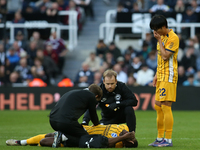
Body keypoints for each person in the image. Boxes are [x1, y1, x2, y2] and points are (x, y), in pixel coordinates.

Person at [149, 14, 179, 147]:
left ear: (163, 27)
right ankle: (159, 137)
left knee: (166, 106)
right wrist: (156, 74)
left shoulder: (173, 38)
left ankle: (168, 139)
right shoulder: (161, 37)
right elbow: (160, 58)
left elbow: (166, 56)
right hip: (161, 75)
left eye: (156, 29)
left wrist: (159, 41)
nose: (155, 32)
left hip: (169, 75)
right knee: (158, 106)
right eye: (153, 29)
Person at [6, 124, 138, 148]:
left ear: (129, 142)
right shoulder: (124, 127)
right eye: (129, 133)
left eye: (129, 136)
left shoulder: (118, 143)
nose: (128, 133)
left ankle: (35, 143)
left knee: (45, 140)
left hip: (81, 138)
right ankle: (20, 142)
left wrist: (124, 137)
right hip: (82, 129)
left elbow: (106, 142)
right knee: (49, 134)